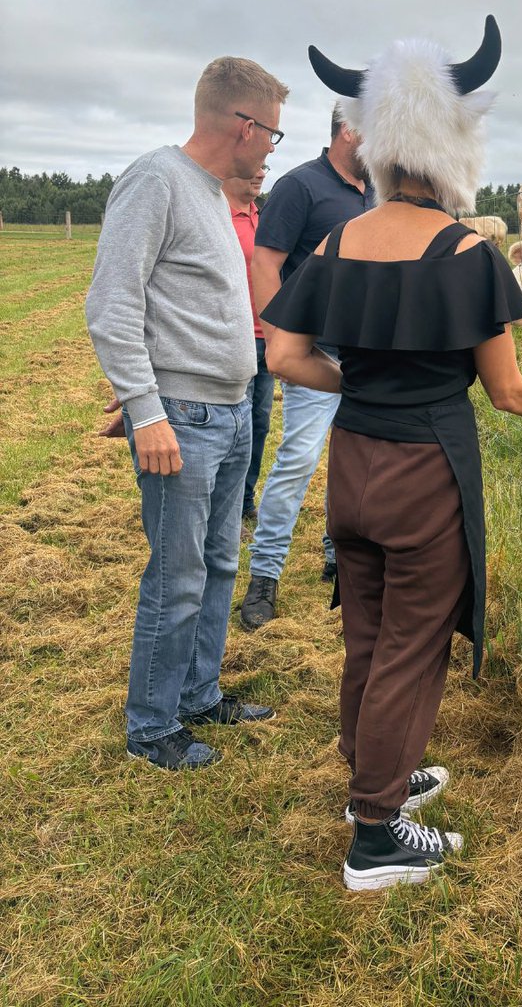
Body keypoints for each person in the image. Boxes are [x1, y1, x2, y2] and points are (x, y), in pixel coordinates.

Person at [261, 17, 522, 891]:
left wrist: (359, 390)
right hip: (427, 475)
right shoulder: (467, 253)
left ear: (381, 142)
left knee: (368, 630)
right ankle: (377, 835)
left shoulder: (336, 241)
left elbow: (282, 356)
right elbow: (505, 391)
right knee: (413, 646)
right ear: (457, 142)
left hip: (351, 467)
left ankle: (370, 779)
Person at [85, 57, 289, 771]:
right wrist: (147, 413)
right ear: (243, 124)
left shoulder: (209, 191)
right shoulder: (156, 181)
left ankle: (199, 695)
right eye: (273, 132)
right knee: (175, 577)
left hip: (231, 413)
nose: (272, 146)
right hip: (184, 417)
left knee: (219, 564)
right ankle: (152, 727)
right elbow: (112, 305)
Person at [238, 109, 376, 630]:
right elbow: (266, 262)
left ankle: (336, 555)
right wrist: (278, 339)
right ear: (349, 130)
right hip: (317, 352)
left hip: (365, 357)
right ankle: (264, 578)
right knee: (297, 460)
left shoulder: (376, 194)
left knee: (355, 459)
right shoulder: (301, 186)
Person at [223, 163, 275, 535]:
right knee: (233, 429)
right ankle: (226, 507)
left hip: (266, 338)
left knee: (259, 423)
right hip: (234, 339)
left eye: (264, 168)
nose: (259, 174)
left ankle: (244, 502)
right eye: (252, 168)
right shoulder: (219, 216)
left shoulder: (264, 216)